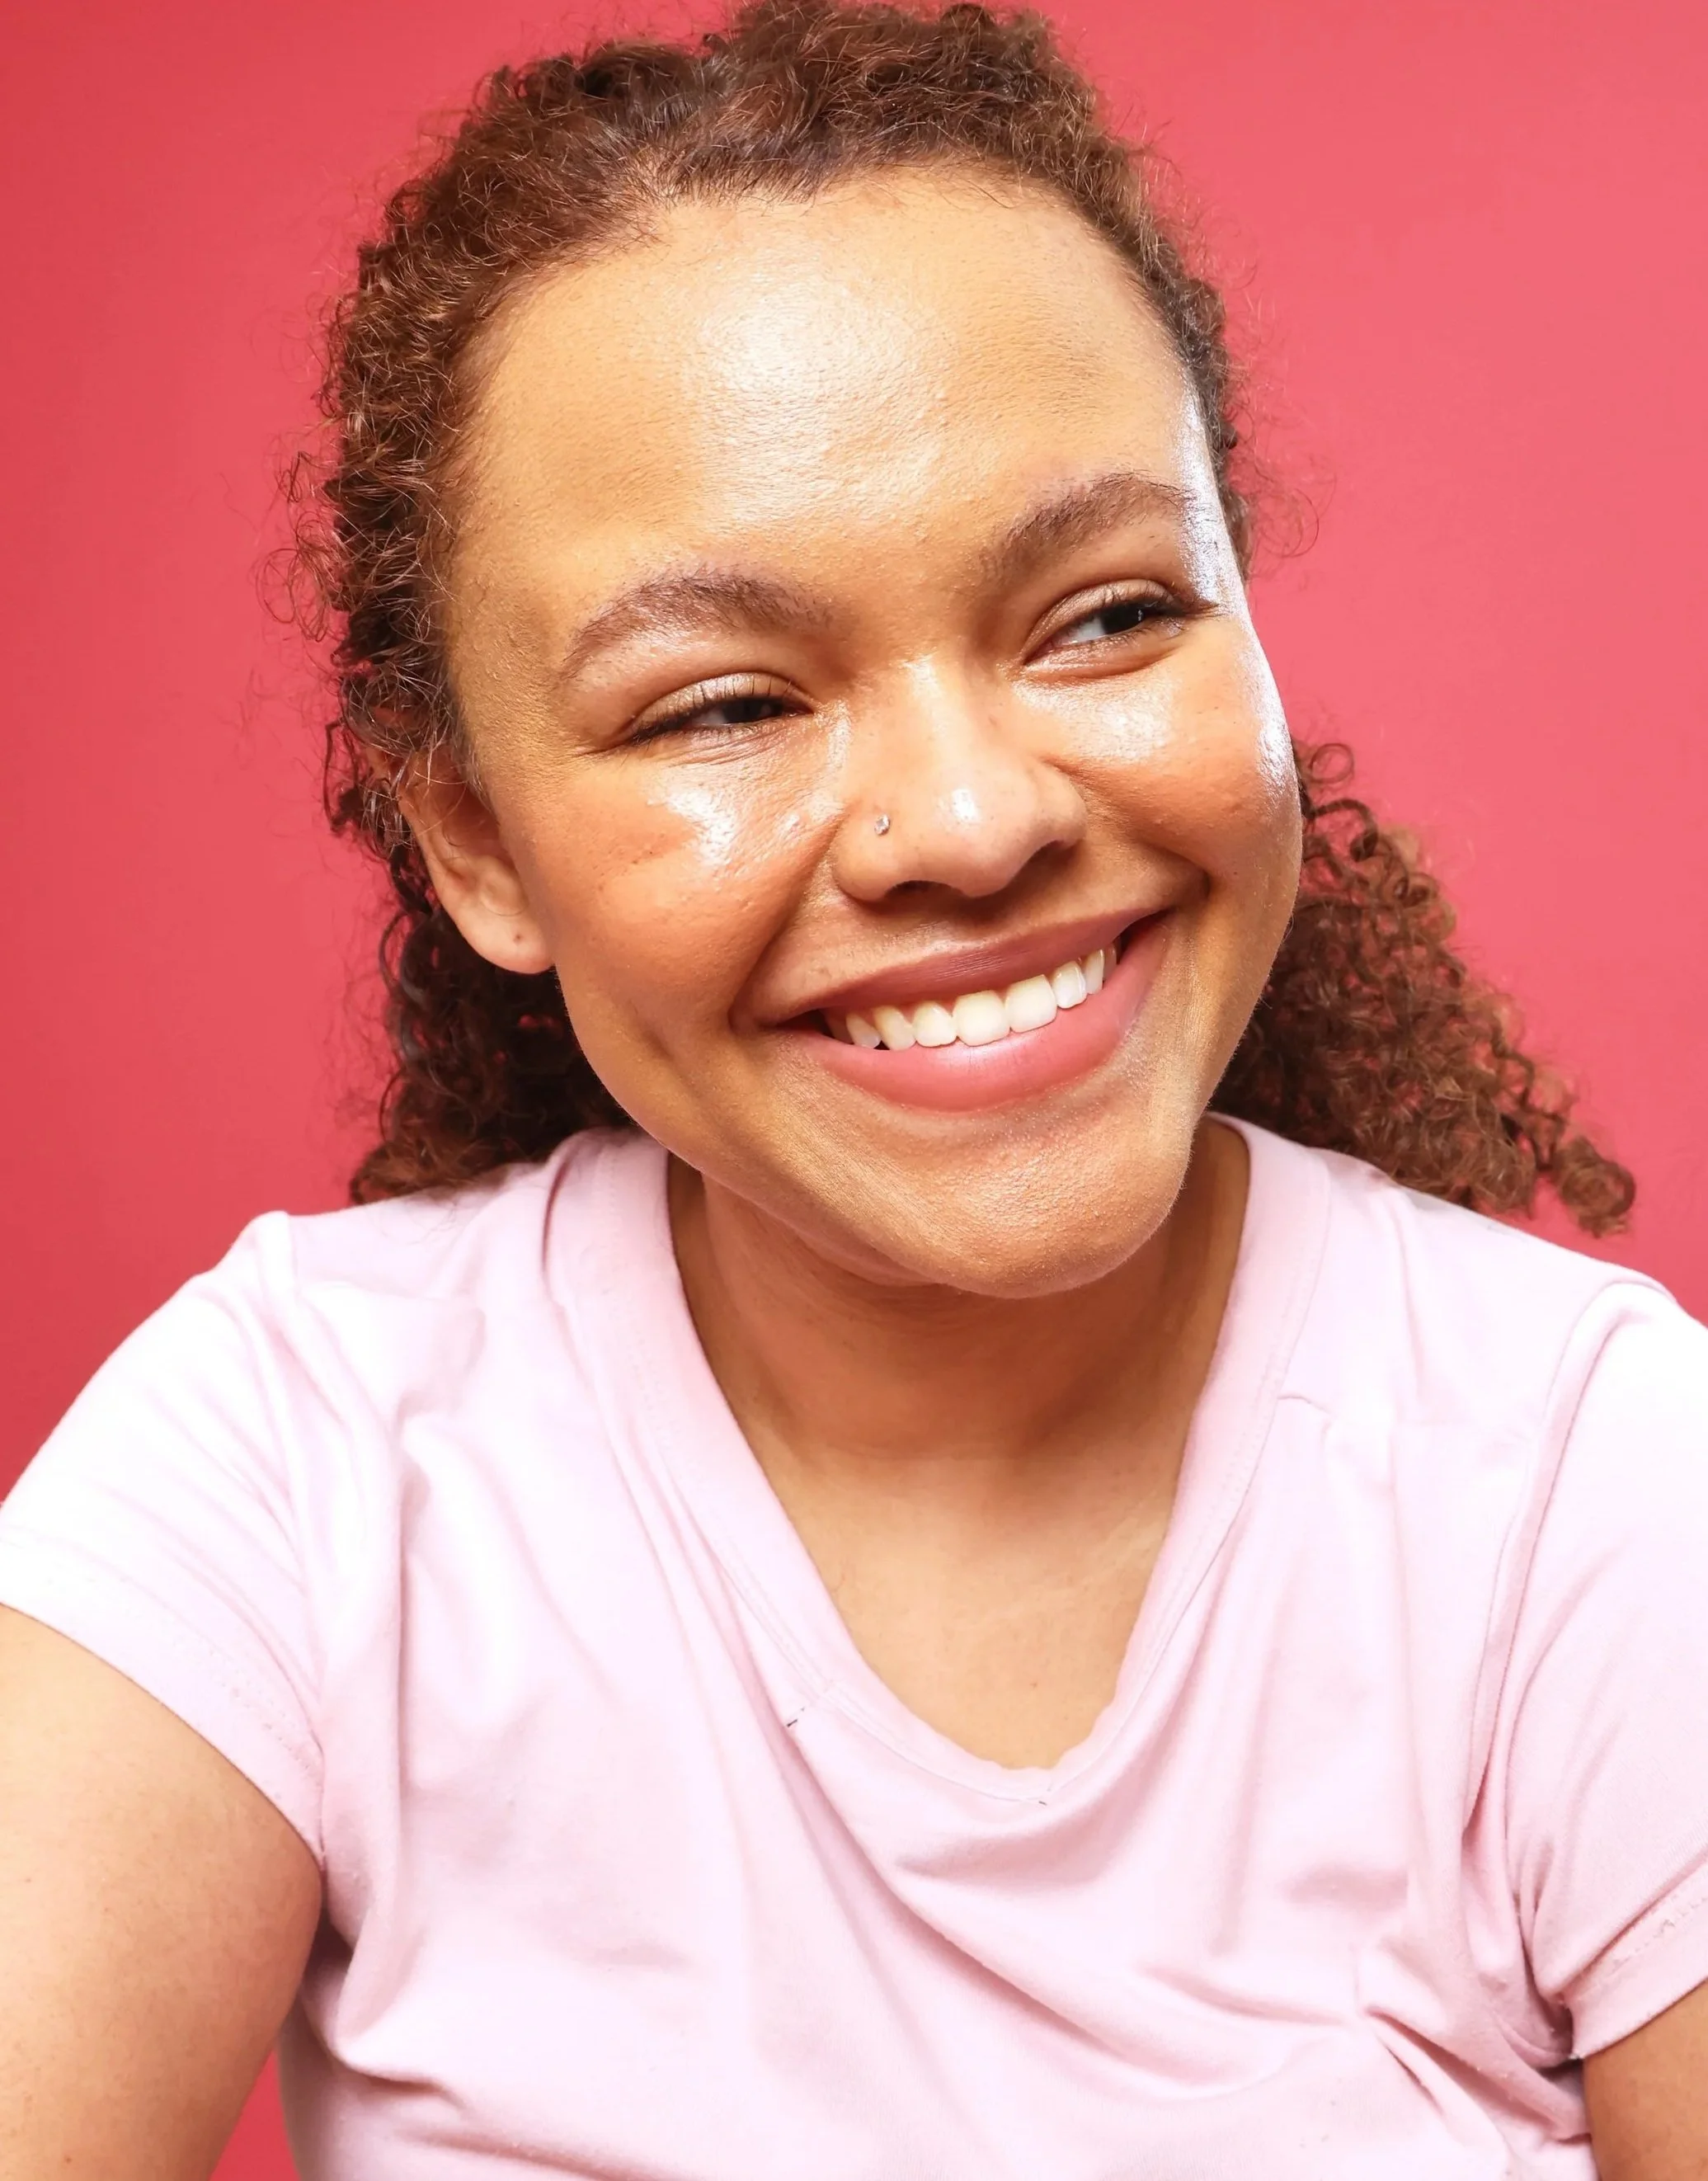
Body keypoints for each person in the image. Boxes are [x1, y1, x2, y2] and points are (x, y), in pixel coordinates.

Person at [2, 2, 1704, 2174]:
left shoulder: (1597, 1495)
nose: (968, 818)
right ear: (477, 845)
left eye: (1099, 617)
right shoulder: (299, 1469)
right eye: (724, 700)